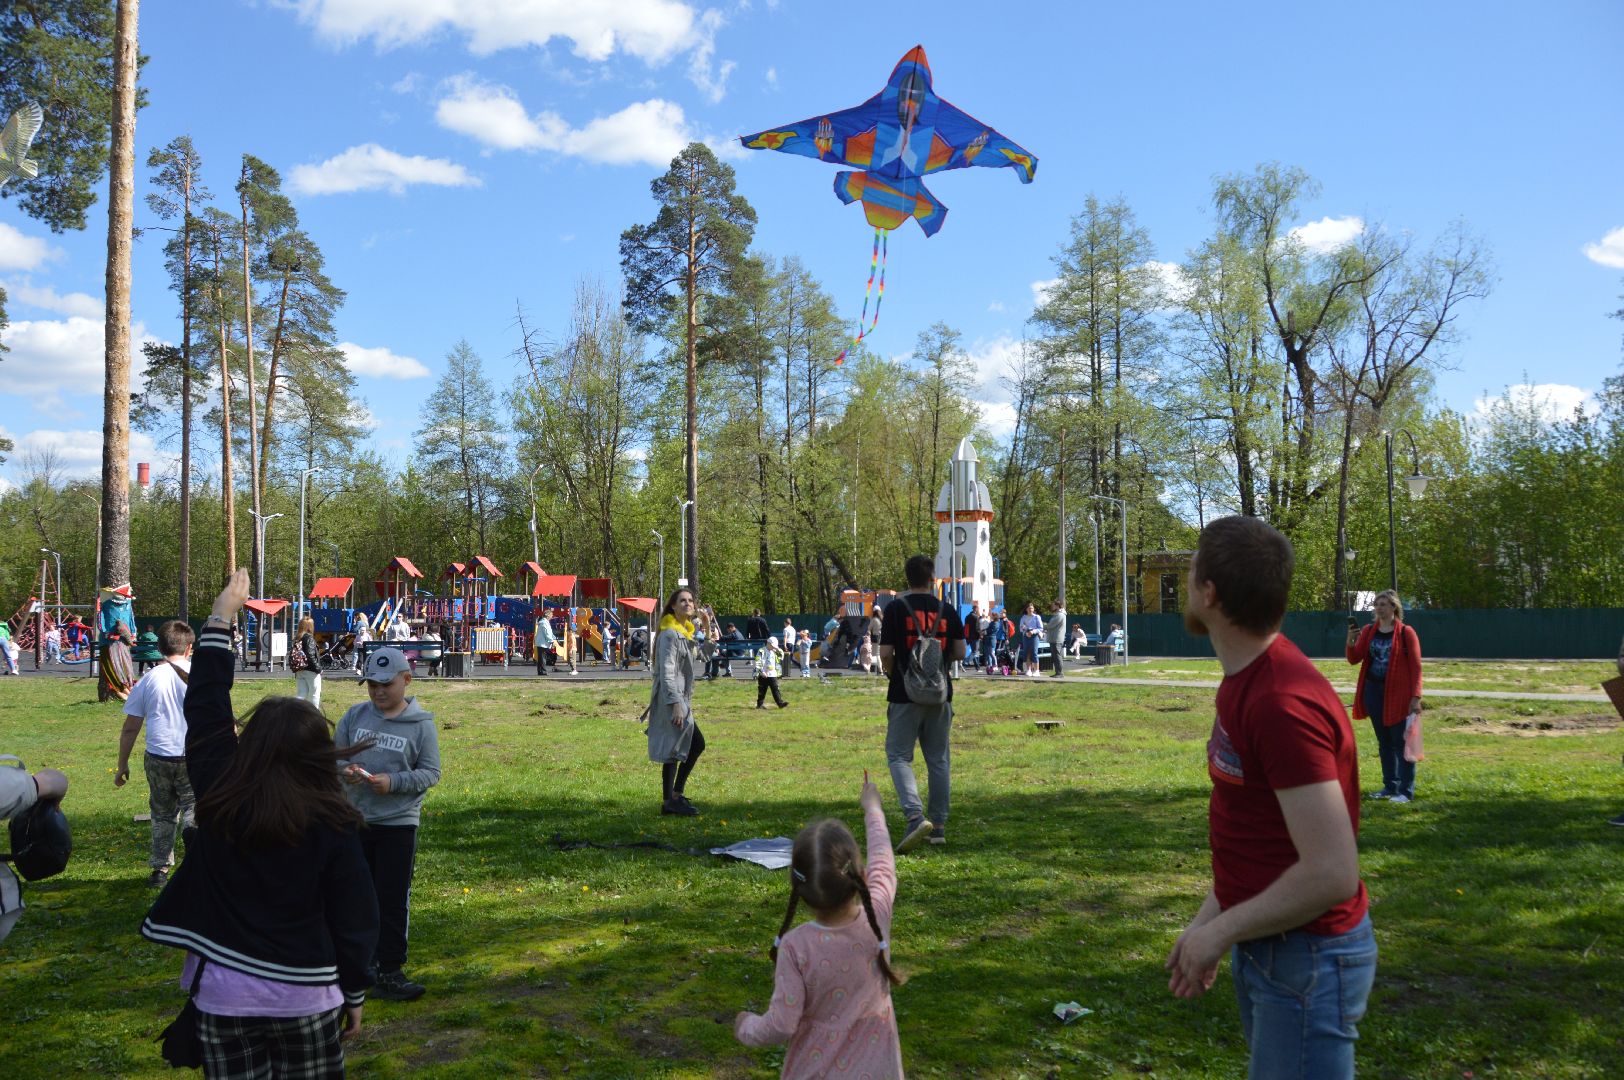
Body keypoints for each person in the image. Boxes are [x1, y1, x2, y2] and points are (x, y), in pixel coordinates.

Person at [140, 569, 379, 1075]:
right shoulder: (335, 822)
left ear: (249, 744)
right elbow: (356, 915)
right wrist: (354, 991)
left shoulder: (220, 796)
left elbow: (205, 706)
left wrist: (222, 615)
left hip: (223, 997)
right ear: (319, 755)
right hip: (308, 994)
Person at [1166, 516, 1374, 1080]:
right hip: (1273, 944)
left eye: (1190, 575)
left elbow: (1333, 872)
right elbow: (1261, 836)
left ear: (1209, 594)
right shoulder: (1246, 679)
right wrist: (1208, 921)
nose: (1186, 586)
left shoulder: (1281, 702)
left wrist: (1223, 931)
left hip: (1308, 957)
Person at [735, 775, 904, 1076]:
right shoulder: (876, 916)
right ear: (861, 875)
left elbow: (782, 1024)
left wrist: (746, 1026)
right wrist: (873, 810)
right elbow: (884, 863)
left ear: (799, 890)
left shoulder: (796, 946)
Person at [336, 646, 441, 1003]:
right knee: (354, 898)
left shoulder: (421, 725)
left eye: (386, 684)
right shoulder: (354, 716)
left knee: (391, 898)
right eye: (371, 685)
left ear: (406, 680)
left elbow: (431, 773)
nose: (379, 691)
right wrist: (345, 773)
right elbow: (334, 760)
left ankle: (390, 970)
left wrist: (393, 782)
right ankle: (356, 966)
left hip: (398, 824)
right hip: (356, 821)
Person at [879, 554, 965, 853]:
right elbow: (960, 652)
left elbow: (886, 653)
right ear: (932, 579)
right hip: (940, 693)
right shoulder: (948, 610)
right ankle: (938, 826)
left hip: (904, 693)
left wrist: (896, 675)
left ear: (907, 579)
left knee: (899, 756)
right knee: (938, 759)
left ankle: (915, 816)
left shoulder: (894, 609)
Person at [116, 620, 198, 888]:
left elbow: (131, 727)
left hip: (158, 754)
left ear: (160, 647)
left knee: (162, 813)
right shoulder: (201, 676)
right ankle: (195, 853)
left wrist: (122, 764)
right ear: (189, 648)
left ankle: (160, 870)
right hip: (193, 754)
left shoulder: (149, 678)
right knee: (194, 807)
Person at [1345, 590, 1423, 804]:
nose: (1379, 608)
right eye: (1377, 604)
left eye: (1384, 604)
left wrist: (1416, 696)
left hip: (1398, 695)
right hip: (1374, 692)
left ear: (1394, 608)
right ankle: (1390, 786)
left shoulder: (1406, 633)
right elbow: (1355, 659)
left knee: (1401, 742)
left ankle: (1406, 791)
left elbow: (1416, 667)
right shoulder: (1370, 631)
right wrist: (1351, 641)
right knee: (1384, 742)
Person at [647, 588, 704, 816]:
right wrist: (675, 704)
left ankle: (673, 798)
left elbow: (704, 656)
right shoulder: (670, 634)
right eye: (682, 601)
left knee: (682, 745)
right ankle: (671, 799)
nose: (688, 604)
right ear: (673, 606)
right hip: (672, 698)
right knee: (687, 745)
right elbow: (667, 671)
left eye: (690, 601)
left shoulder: (684, 633)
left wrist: (707, 627)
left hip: (681, 698)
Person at [99, 620, 137, 702]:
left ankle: (130, 693)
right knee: (117, 673)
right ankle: (130, 694)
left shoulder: (123, 629)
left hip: (119, 647)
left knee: (124, 672)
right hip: (111, 647)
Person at [294, 616, 323, 709]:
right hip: (311, 670)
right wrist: (318, 669)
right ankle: (314, 713)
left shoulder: (298, 638)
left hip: (299, 669)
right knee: (314, 693)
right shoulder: (309, 638)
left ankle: (295, 711)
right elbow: (310, 655)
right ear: (310, 626)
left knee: (301, 693)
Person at [755, 636, 788, 709]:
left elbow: (781, 656)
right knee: (762, 690)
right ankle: (759, 705)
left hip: (772, 674)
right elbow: (758, 661)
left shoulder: (775, 651)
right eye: (773, 646)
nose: (774, 647)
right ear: (768, 643)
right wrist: (761, 672)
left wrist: (777, 649)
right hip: (763, 674)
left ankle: (780, 703)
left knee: (775, 689)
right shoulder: (761, 651)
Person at [1017, 602, 1043, 677]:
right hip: (1026, 636)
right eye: (1029, 608)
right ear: (1026, 609)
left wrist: (1033, 631)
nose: (1030, 609)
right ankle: (1029, 670)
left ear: (1033, 609)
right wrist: (1026, 630)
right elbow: (1021, 628)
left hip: (1034, 637)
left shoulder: (1037, 617)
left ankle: (1036, 670)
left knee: (1034, 653)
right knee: (1027, 653)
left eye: (1032, 608)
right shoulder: (1023, 617)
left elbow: (1040, 628)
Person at [1046, 599, 1068, 678]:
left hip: (1057, 638)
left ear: (1057, 606)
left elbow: (1050, 625)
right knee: (1055, 656)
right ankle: (1057, 672)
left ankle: (1060, 673)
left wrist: (1042, 624)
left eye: (1053, 605)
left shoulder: (1060, 615)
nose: (1052, 607)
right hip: (1054, 638)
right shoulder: (1058, 614)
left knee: (1057, 656)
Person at [534, 608, 559, 675]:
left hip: (541, 643)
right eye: (551, 615)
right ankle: (543, 671)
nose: (552, 617)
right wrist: (551, 641)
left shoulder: (543, 622)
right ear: (548, 616)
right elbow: (547, 633)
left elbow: (549, 633)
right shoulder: (544, 623)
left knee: (541, 658)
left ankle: (540, 671)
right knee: (543, 658)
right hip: (543, 643)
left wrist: (553, 638)